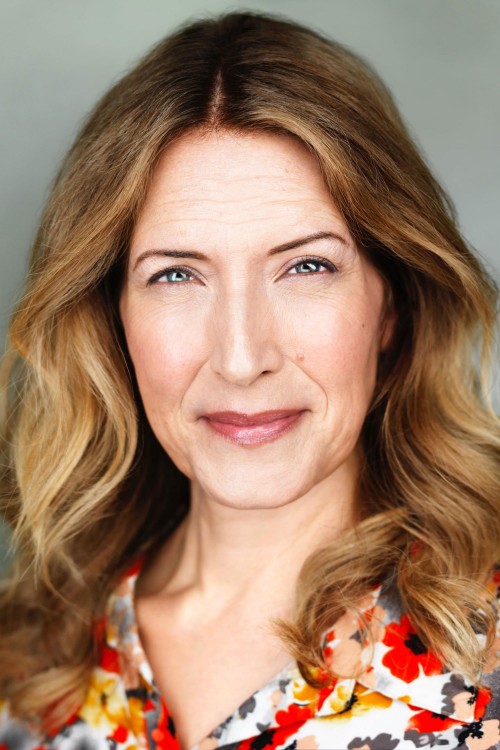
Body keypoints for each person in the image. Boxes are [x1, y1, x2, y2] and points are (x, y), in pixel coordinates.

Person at [0, 9, 499, 750]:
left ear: (392, 306)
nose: (240, 357)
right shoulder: (31, 668)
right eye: (176, 274)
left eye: (306, 266)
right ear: (112, 320)